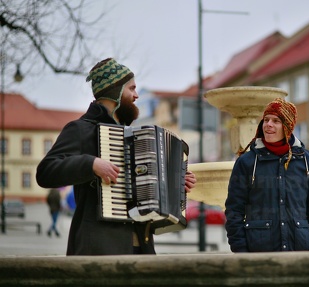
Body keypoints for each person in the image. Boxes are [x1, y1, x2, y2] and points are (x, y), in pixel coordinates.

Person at [36, 58, 196, 255]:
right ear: (115, 92)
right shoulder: (80, 129)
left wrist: (177, 185)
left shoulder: (133, 138)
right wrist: (91, 164)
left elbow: (145, 199)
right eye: (132, 88)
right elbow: (45, 172)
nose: (136, 95)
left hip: (140, 248)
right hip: (99, 248)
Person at [225, 97, 309, 252]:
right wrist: (240, 250)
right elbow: (234, 211)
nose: (268, 125)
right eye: (266, 120)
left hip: (299, 250)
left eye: (276, 121)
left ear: (287, 127)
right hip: (259, 252)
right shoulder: (247, 162)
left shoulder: (308, 160)